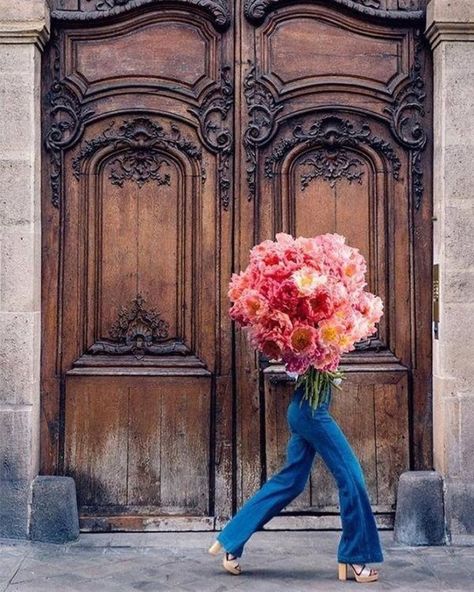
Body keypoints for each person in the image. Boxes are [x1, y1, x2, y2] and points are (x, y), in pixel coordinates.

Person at [208, 374, 383, 583]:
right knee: (351, 477)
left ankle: (231, 538)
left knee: (291, 482)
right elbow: (299, 361)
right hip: (312, 413)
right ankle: (356, 555)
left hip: (304, 409)